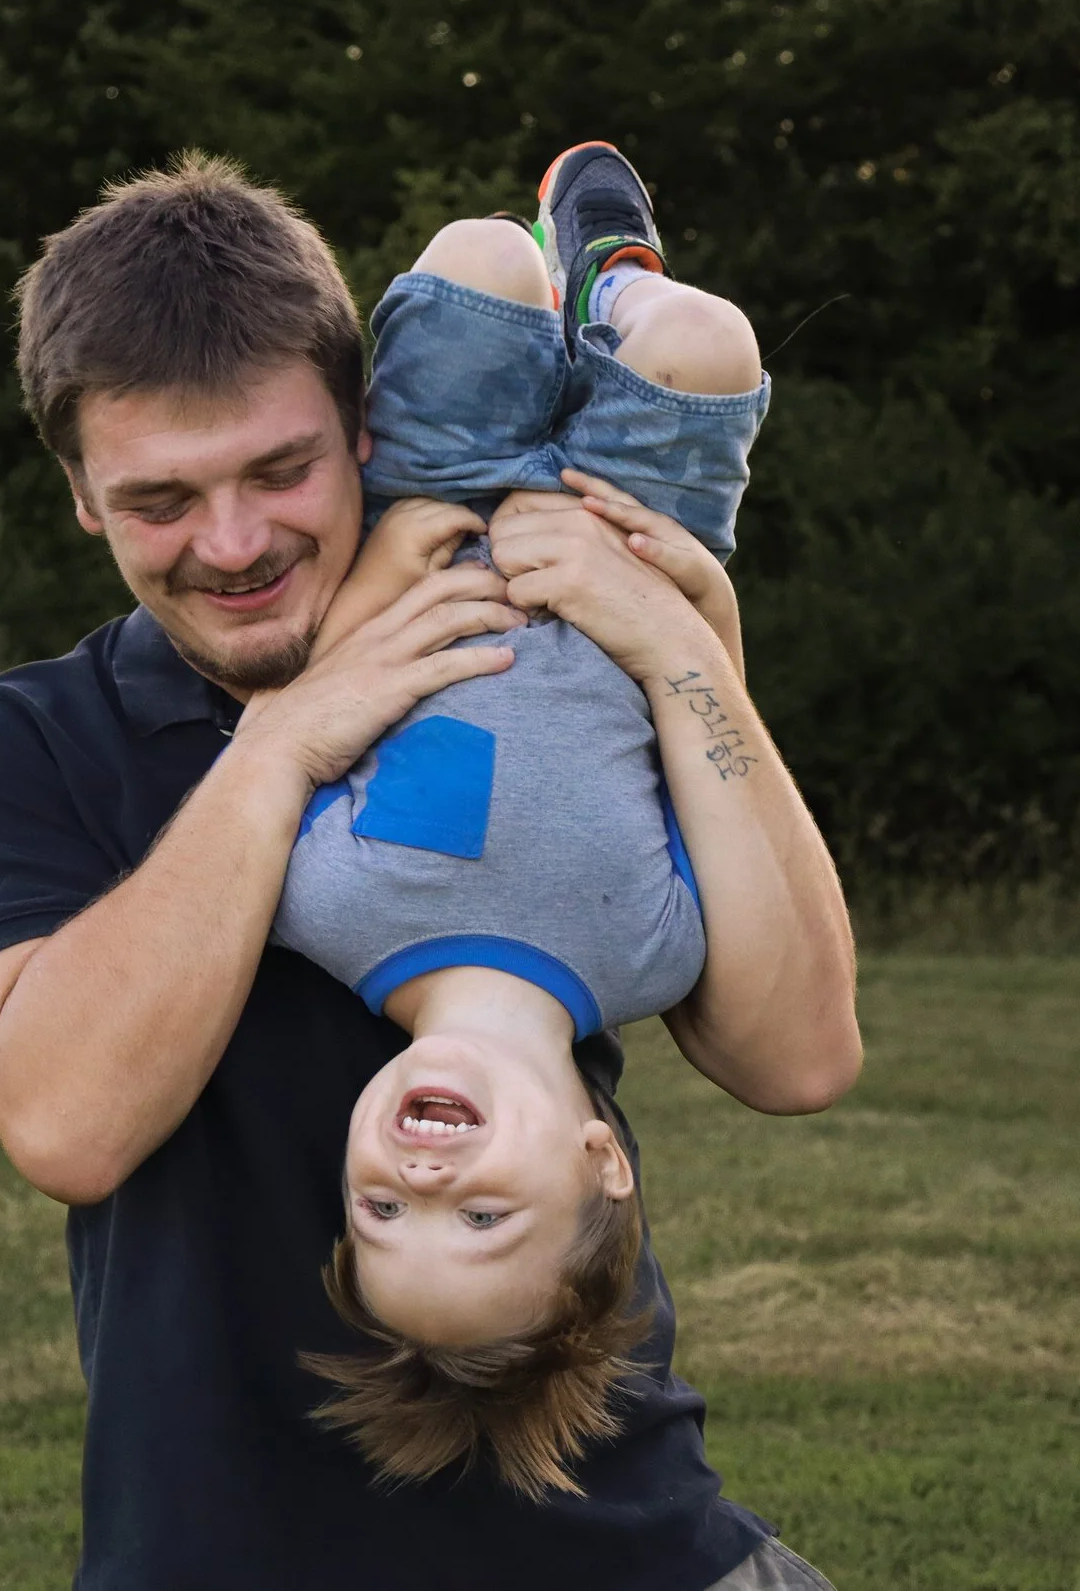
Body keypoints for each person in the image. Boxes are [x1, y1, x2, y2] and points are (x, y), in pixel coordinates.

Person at [0, 148, 860, 1590]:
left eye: (280, 470)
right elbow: (69, 1120)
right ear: (82, 496)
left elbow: (791, 1053)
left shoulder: (564, 632)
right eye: (160, 498)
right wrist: (284, 745)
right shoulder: (29, 747)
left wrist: (683, 648)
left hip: (637, 1555)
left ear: (367, 428)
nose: (232, 544)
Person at [274, 144, 782, 1502]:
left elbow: (316, 711)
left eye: (382, 1210)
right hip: (628, 532)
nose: (423, 1172)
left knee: (477, 262)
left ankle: (544, 295)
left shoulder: (320, 909)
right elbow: (709, 762)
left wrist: (392, 561)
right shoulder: (658, 953)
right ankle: (614, 288)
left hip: (441, 504)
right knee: (707, 341)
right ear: (600, 1160)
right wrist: (684, 613)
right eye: (483, 1212)